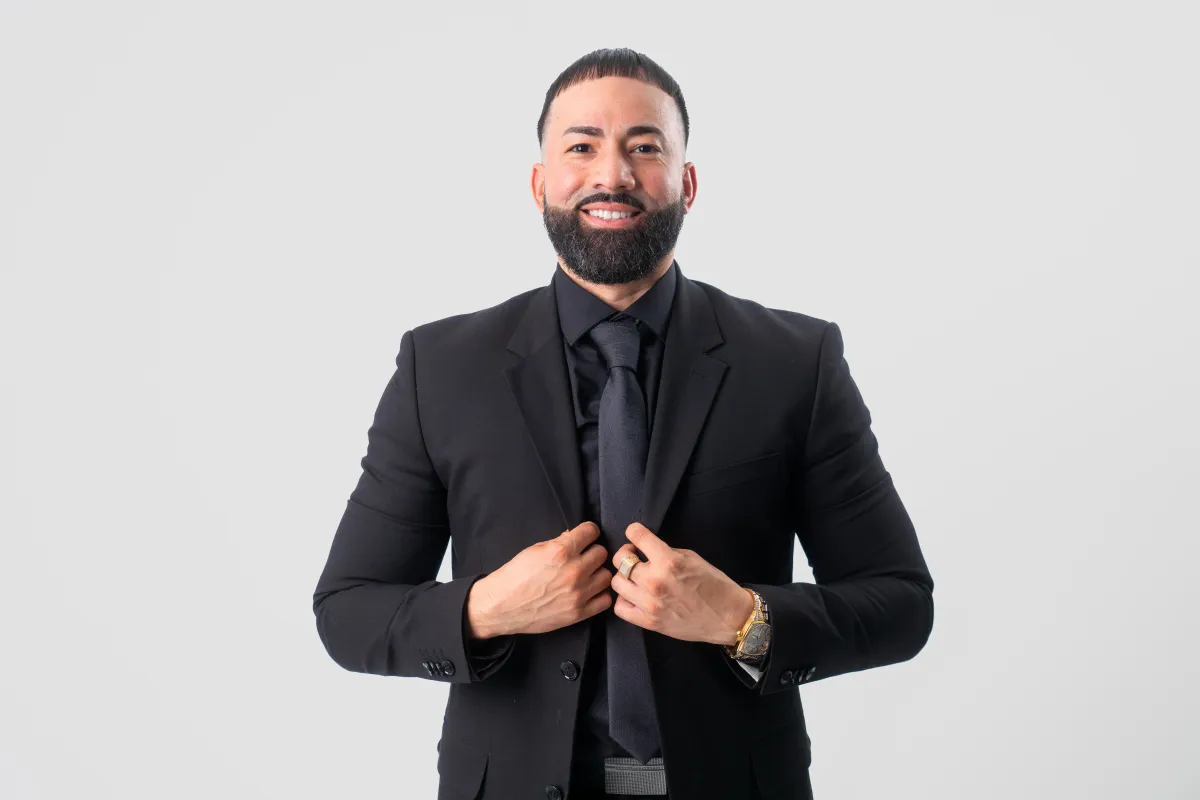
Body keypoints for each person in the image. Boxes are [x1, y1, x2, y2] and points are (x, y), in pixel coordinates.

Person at [312, 47, 934, 800]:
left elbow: (900, 603)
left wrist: (744, 619)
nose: (612, 175)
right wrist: (488, 609)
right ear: (540, 183)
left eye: (645, 147)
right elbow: (348, 610)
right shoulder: (440, 367)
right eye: (581, 147)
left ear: (687, 183)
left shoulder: (794, 362)